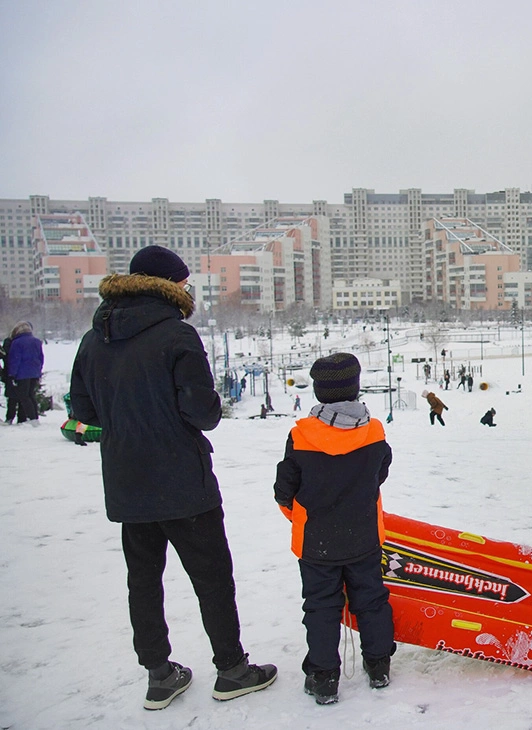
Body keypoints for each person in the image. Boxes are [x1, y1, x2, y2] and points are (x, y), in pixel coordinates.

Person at [69, 245, 276, 711]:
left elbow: (84, 412)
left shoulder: (91, 338)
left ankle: (159, 676)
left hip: (126, 482)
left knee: (143, 581)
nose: (187, 289)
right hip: (184, 484)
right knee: (212, 578)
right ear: (169, 286)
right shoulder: (177, 337)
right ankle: (232, 669)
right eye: (183, 283)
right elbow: (204, 414)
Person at [274, 353, 395, 705]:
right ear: (355, 388)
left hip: (317, 544)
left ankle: (323, 677)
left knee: (321, 606)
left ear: (318, 392)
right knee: (371, 600)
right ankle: (379, 665)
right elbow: (380, 474)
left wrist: (303, 518)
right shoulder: (374, 431)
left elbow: (285, 489)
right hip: (364, 537)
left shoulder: (300, 435)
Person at [5, 322, 43, 423]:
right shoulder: (36, 341)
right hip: (34, 373)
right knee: (31, 395)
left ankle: (32, 419)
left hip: (22, 374)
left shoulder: (17, 343)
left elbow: (15, 360)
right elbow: (41, 357)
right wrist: (38, 370)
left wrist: (12, 374)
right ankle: (35, 417)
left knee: (24, 396)